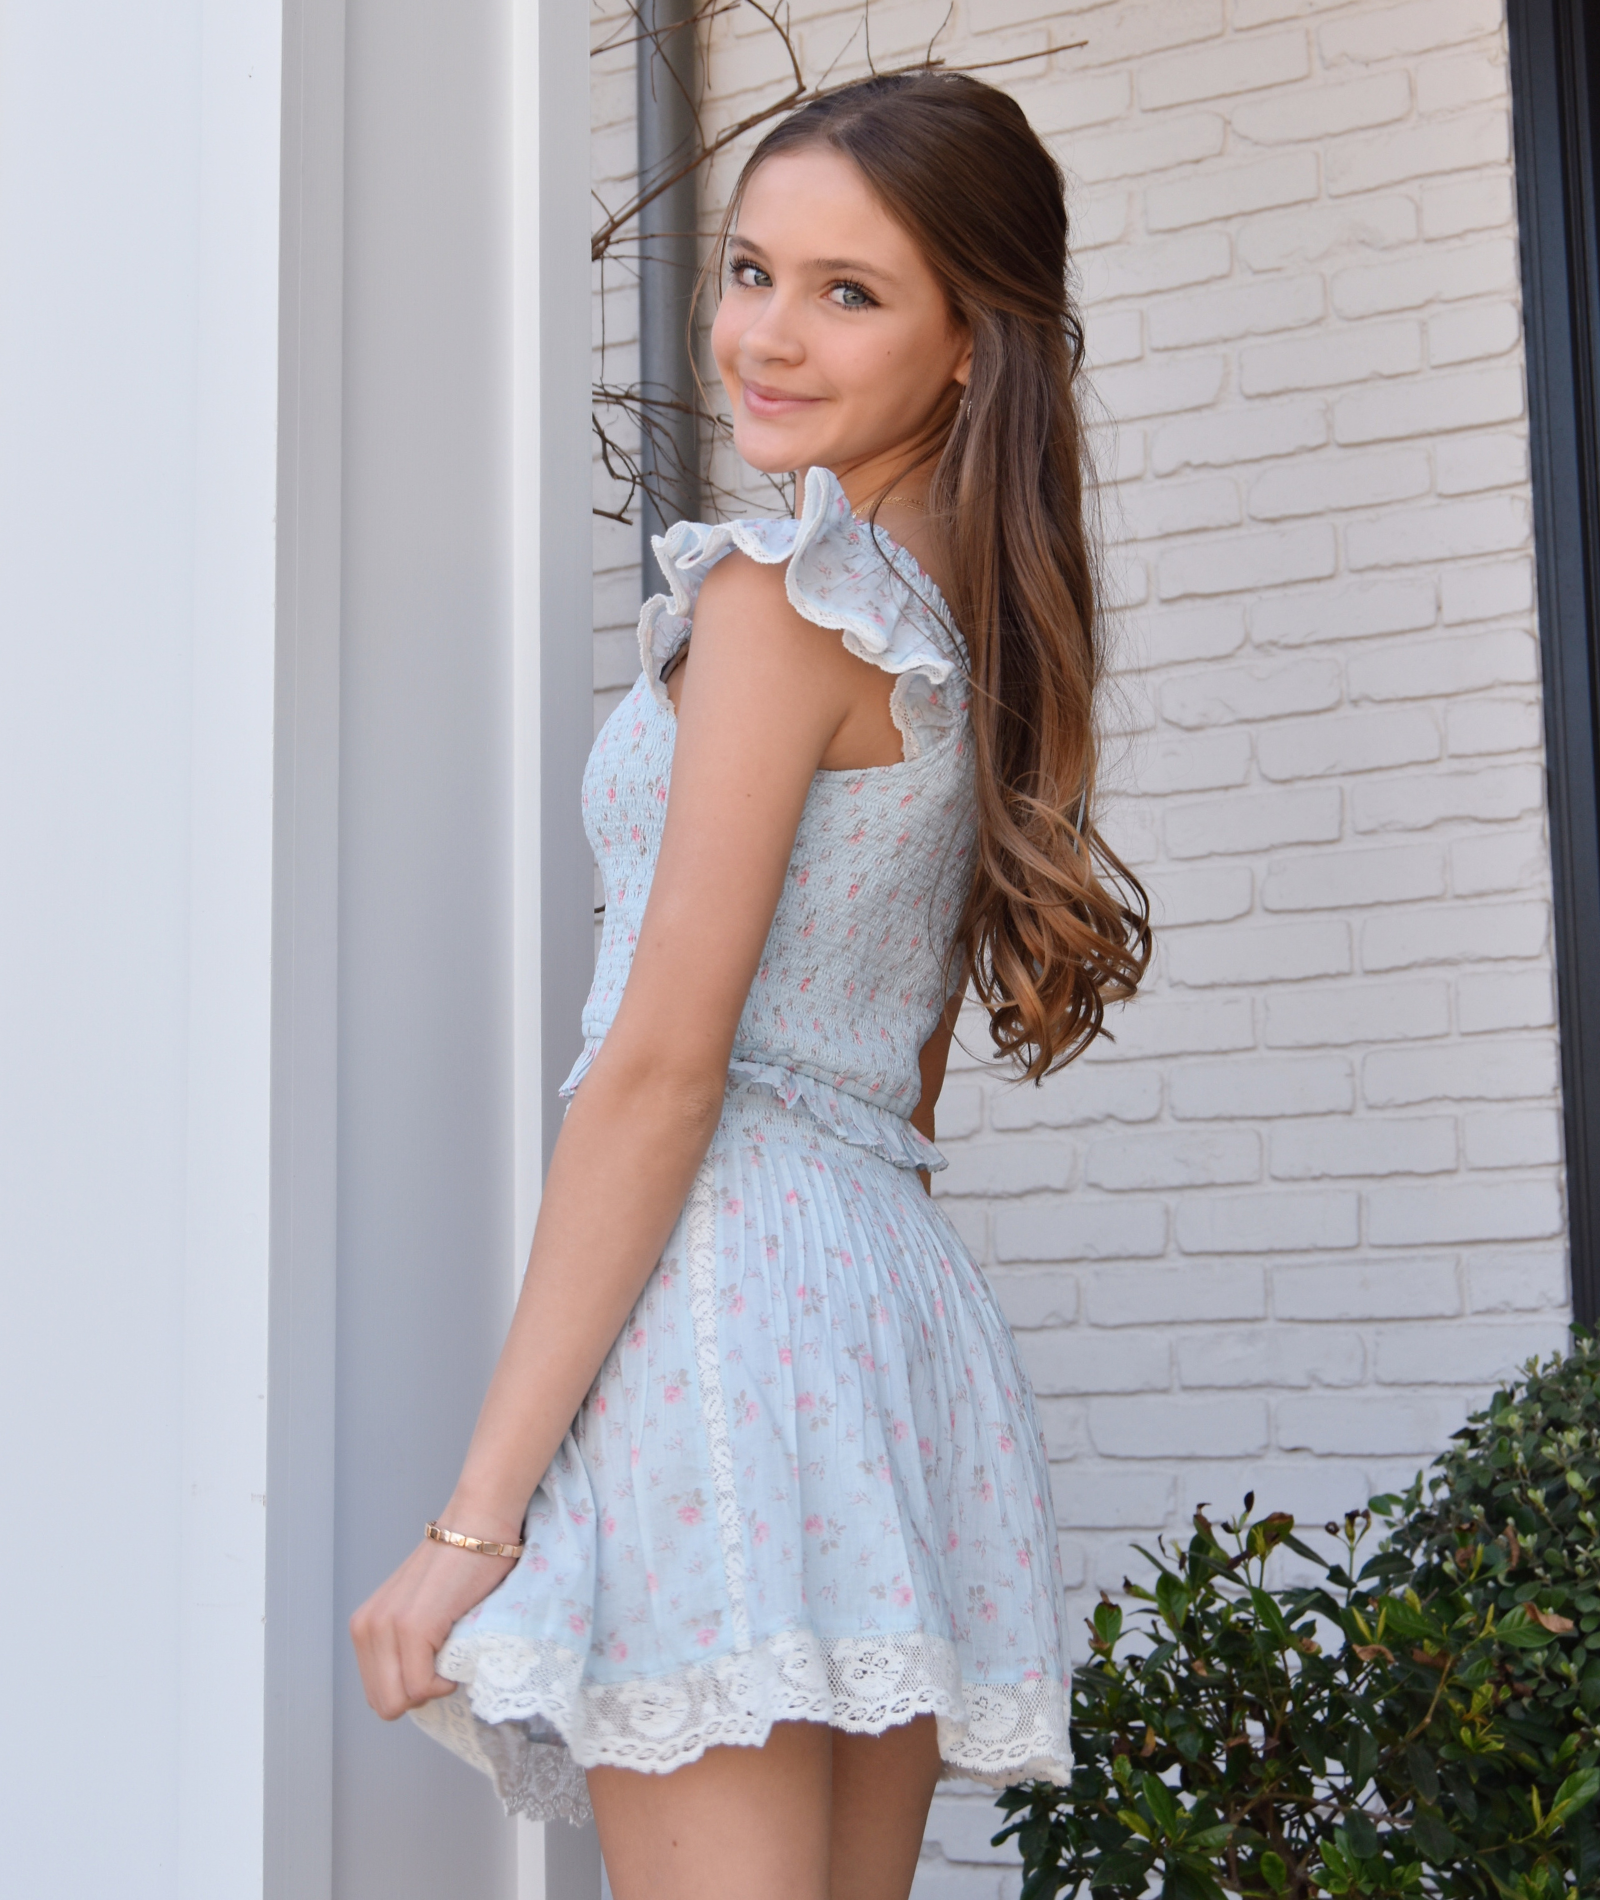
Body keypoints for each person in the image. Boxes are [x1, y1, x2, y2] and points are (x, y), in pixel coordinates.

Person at [351, 69, 1150, 1900]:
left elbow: (662, 1066)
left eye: (848, 291)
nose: (766, 336)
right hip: (879, 1314)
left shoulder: (786, 601)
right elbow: (898, 1074)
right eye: (749, 270)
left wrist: (476, 1523)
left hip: (726, 1303)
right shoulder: (962, 626)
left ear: (971, 342)